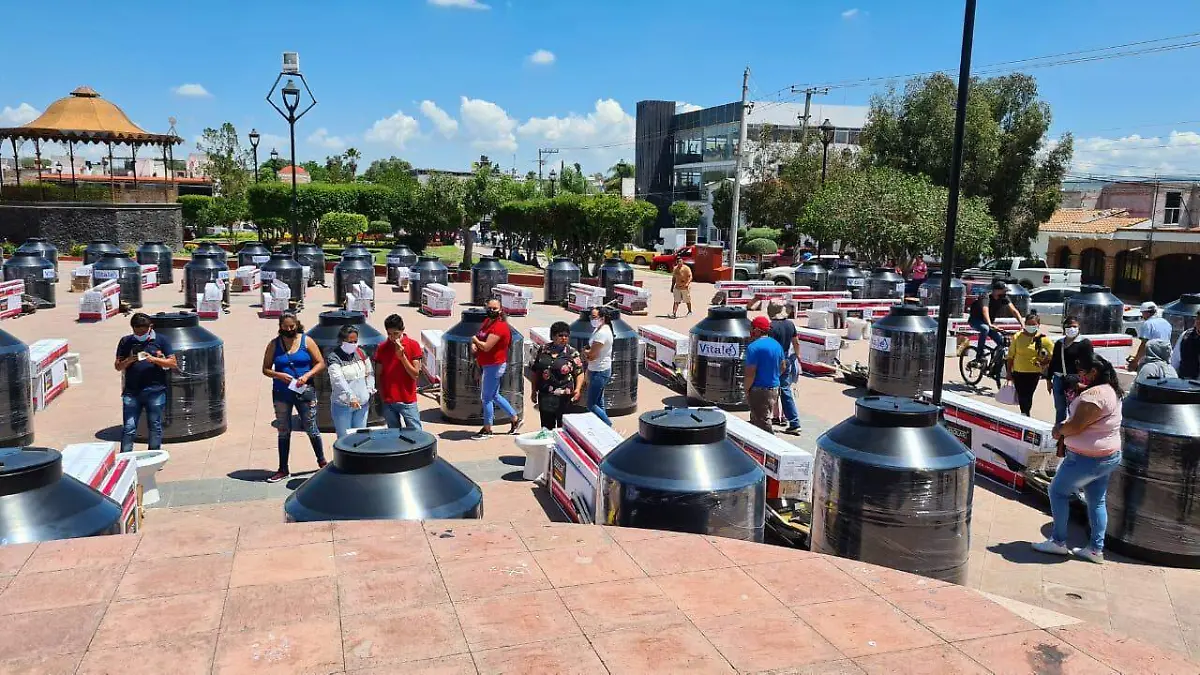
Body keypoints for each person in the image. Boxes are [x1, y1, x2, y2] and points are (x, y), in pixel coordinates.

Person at [1034, 353, 1124, 564]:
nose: (1079, 375)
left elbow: (1075, 426)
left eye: (1082, 372)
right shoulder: (1111, 390)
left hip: (1086, 459)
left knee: (1057, 491)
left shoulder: (1094, 397)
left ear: (1093, 372)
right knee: (1096, 500)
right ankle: (1095, 549)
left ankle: (1058, 542)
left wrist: (1058, 430)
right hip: (1106, 456)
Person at [261, 312, 326, 483]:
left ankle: (321, 461)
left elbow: (320, 362)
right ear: (280, 327)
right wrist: (278, 375)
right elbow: (266, 369)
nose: (289, 330)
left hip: (304, 391)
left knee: (311, 426)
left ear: (297, 324)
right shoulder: (274, 345)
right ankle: (283, 468)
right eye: (286, 327)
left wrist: (307, 375)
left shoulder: (307, 341)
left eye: (292, 326)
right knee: (283, 430)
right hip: (282, 393)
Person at [114, 313, 177, 455]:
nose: (140, 334)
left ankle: (153, 455)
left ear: (150, 327)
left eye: (143, 331)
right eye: (137, 331)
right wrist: (130, 359)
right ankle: (126, 457)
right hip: (132, 392)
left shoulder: (161, 340)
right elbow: (118, 366)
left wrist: (154, 359)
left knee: (155, 426)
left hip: (155, 390)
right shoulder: (126, 342)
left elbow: (172, 363)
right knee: (129, 427)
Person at [472, 298, 520, 439]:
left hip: (494, 365)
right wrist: (475, 345)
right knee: (494, 395)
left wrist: (474, 341)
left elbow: (486, 346)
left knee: (486, 398)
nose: (491, 311)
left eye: (494, 308)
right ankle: (514, 418)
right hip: (487, 364)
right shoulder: (487, 322)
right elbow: (481, 338)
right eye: (489, 308)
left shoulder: (500, 327)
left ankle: (487, 429)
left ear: (500, 310)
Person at [528, 321, 585, 430]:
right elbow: (536, 371)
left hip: (564, 397)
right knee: (546, 428)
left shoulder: (572, 353)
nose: (564, 338)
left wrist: (578, 389)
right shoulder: (543, 350)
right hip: (545, 396)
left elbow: (579, 372)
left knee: (562, 428)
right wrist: (533, 390)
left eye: (566, 336)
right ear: (553, 336)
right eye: (560, 335)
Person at [326, 324, 376, 439]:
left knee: (361, 438)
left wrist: (369, 389)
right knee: (345, 439)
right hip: (343, 406)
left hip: (362, 405)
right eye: (350, 342)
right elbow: (338, 379)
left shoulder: (361, 353)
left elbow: (370, 373)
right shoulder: (334, 357)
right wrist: (351, 396)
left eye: (355, 341)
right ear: (342, 341)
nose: (353, 344)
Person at [375, 313, 423, 430]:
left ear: (402, 330)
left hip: (407, 400)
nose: (393, 338)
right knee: (394, 434)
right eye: (389, 334)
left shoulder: (413, 345)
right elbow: (378, 373)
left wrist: (402, 358)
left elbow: (415, 374)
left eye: (396, 334)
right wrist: (381, 394)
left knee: (416, 432)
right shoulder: (382, 347)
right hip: (389, 400)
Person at [1046, 316, 1094, 424]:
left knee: (1074, 408)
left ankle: (1072, 431)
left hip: (1075, 381)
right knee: (1059, 408)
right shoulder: (1060, 343)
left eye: (1074, 326)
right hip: (1059, 378)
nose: (1071, 328)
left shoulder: (1084, 343)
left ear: (1079, 327)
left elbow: (1090, 362)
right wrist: (1048, 380)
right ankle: (1059, 431)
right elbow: (1054, 361)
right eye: (1068, 326)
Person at [1006, 312, 1054, 417]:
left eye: (1033, 325)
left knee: (1028, 395)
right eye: (1028, 324)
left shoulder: (1043, 339)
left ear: (1038, 325)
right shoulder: (1017, 337)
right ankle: (1025, 414)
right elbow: (1010, 356)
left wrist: (1043, 362)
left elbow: (1053, 356)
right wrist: (1008, 372)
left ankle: (1025, 414)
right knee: (1022, 395)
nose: (1031, 327)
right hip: (1018, 372)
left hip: (1034, 373)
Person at [744, 316, 786, 434]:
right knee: (760, 419)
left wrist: (746, 389)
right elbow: (783, 366)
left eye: (752, 328)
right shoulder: (776, 345)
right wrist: (772, 376)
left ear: (757, 330)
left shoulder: (753, 348)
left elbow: (750, 373)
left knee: (762, 422)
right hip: (774, 388)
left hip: (759, 389)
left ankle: (772, 445)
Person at [767, 300, 803, 434]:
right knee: (785, 390)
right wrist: (798, 356)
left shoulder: (771, 327)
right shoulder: (790, 324)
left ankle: (779, 418)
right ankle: (788, 420)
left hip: (773, 361)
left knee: (769, 389)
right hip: (786, 360)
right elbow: (796, 343)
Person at [968, 280, 1024, 361]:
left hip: (989, 323)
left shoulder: (1003, 298)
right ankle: (979, 354)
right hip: (975, 320)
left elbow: (1014, 311)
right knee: (985, 329)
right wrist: (990, 324)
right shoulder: (986, 297)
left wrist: (1023, 325)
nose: (1005, 293)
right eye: (1003, 291)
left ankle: (996, 367)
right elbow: (985, 310)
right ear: (996, 290)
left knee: (1002, 343)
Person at [582, 306, 615, 426]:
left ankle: (608, 424)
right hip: (595, 369)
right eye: (591, 316)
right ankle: (603, 426)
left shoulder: (602, 333)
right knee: (599, 401)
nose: (591, 319)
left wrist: (584, 352)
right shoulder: (599, 329)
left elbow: (591, 356)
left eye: (594, 317)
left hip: (599, 371)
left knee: (591, 404)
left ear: (603, 318)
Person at [1130, 301, 1173, 370]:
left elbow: (1144, 345)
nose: (1142, 315)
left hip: (1152, 357)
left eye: (1142, 313)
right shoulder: (1166, 322)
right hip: (1166, 355)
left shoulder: (1147, 324)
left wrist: (1136, 360)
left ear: (1146, 313)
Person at [1171, 308, 1200, 379]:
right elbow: (1175, 360)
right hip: (1186, 380)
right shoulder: (1186, 335)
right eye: (1198, 318)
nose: (1198, 322)